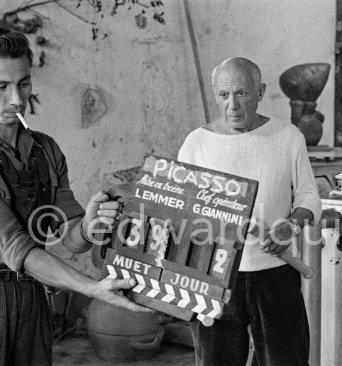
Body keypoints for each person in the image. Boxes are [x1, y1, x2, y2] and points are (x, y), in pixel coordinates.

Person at [0, 28, 149, 365]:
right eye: (1, 87)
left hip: (33, 296)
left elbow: (72, 238)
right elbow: (17, 247)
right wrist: (91, 287)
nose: (16, 100)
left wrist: (89, 227)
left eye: (23, 84)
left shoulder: (45, 149)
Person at [178, 57, 321, 366]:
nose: (233, 104)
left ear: (260, 91)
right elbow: (182, 211)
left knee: (286, 360)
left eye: (242, 93)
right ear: (216, 95)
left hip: (275, 272)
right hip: (214, 274)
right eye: (223, 95)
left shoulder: (287, 137)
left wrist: (290, 226)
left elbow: (309, 195)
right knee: (216, 360)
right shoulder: (197, 144)